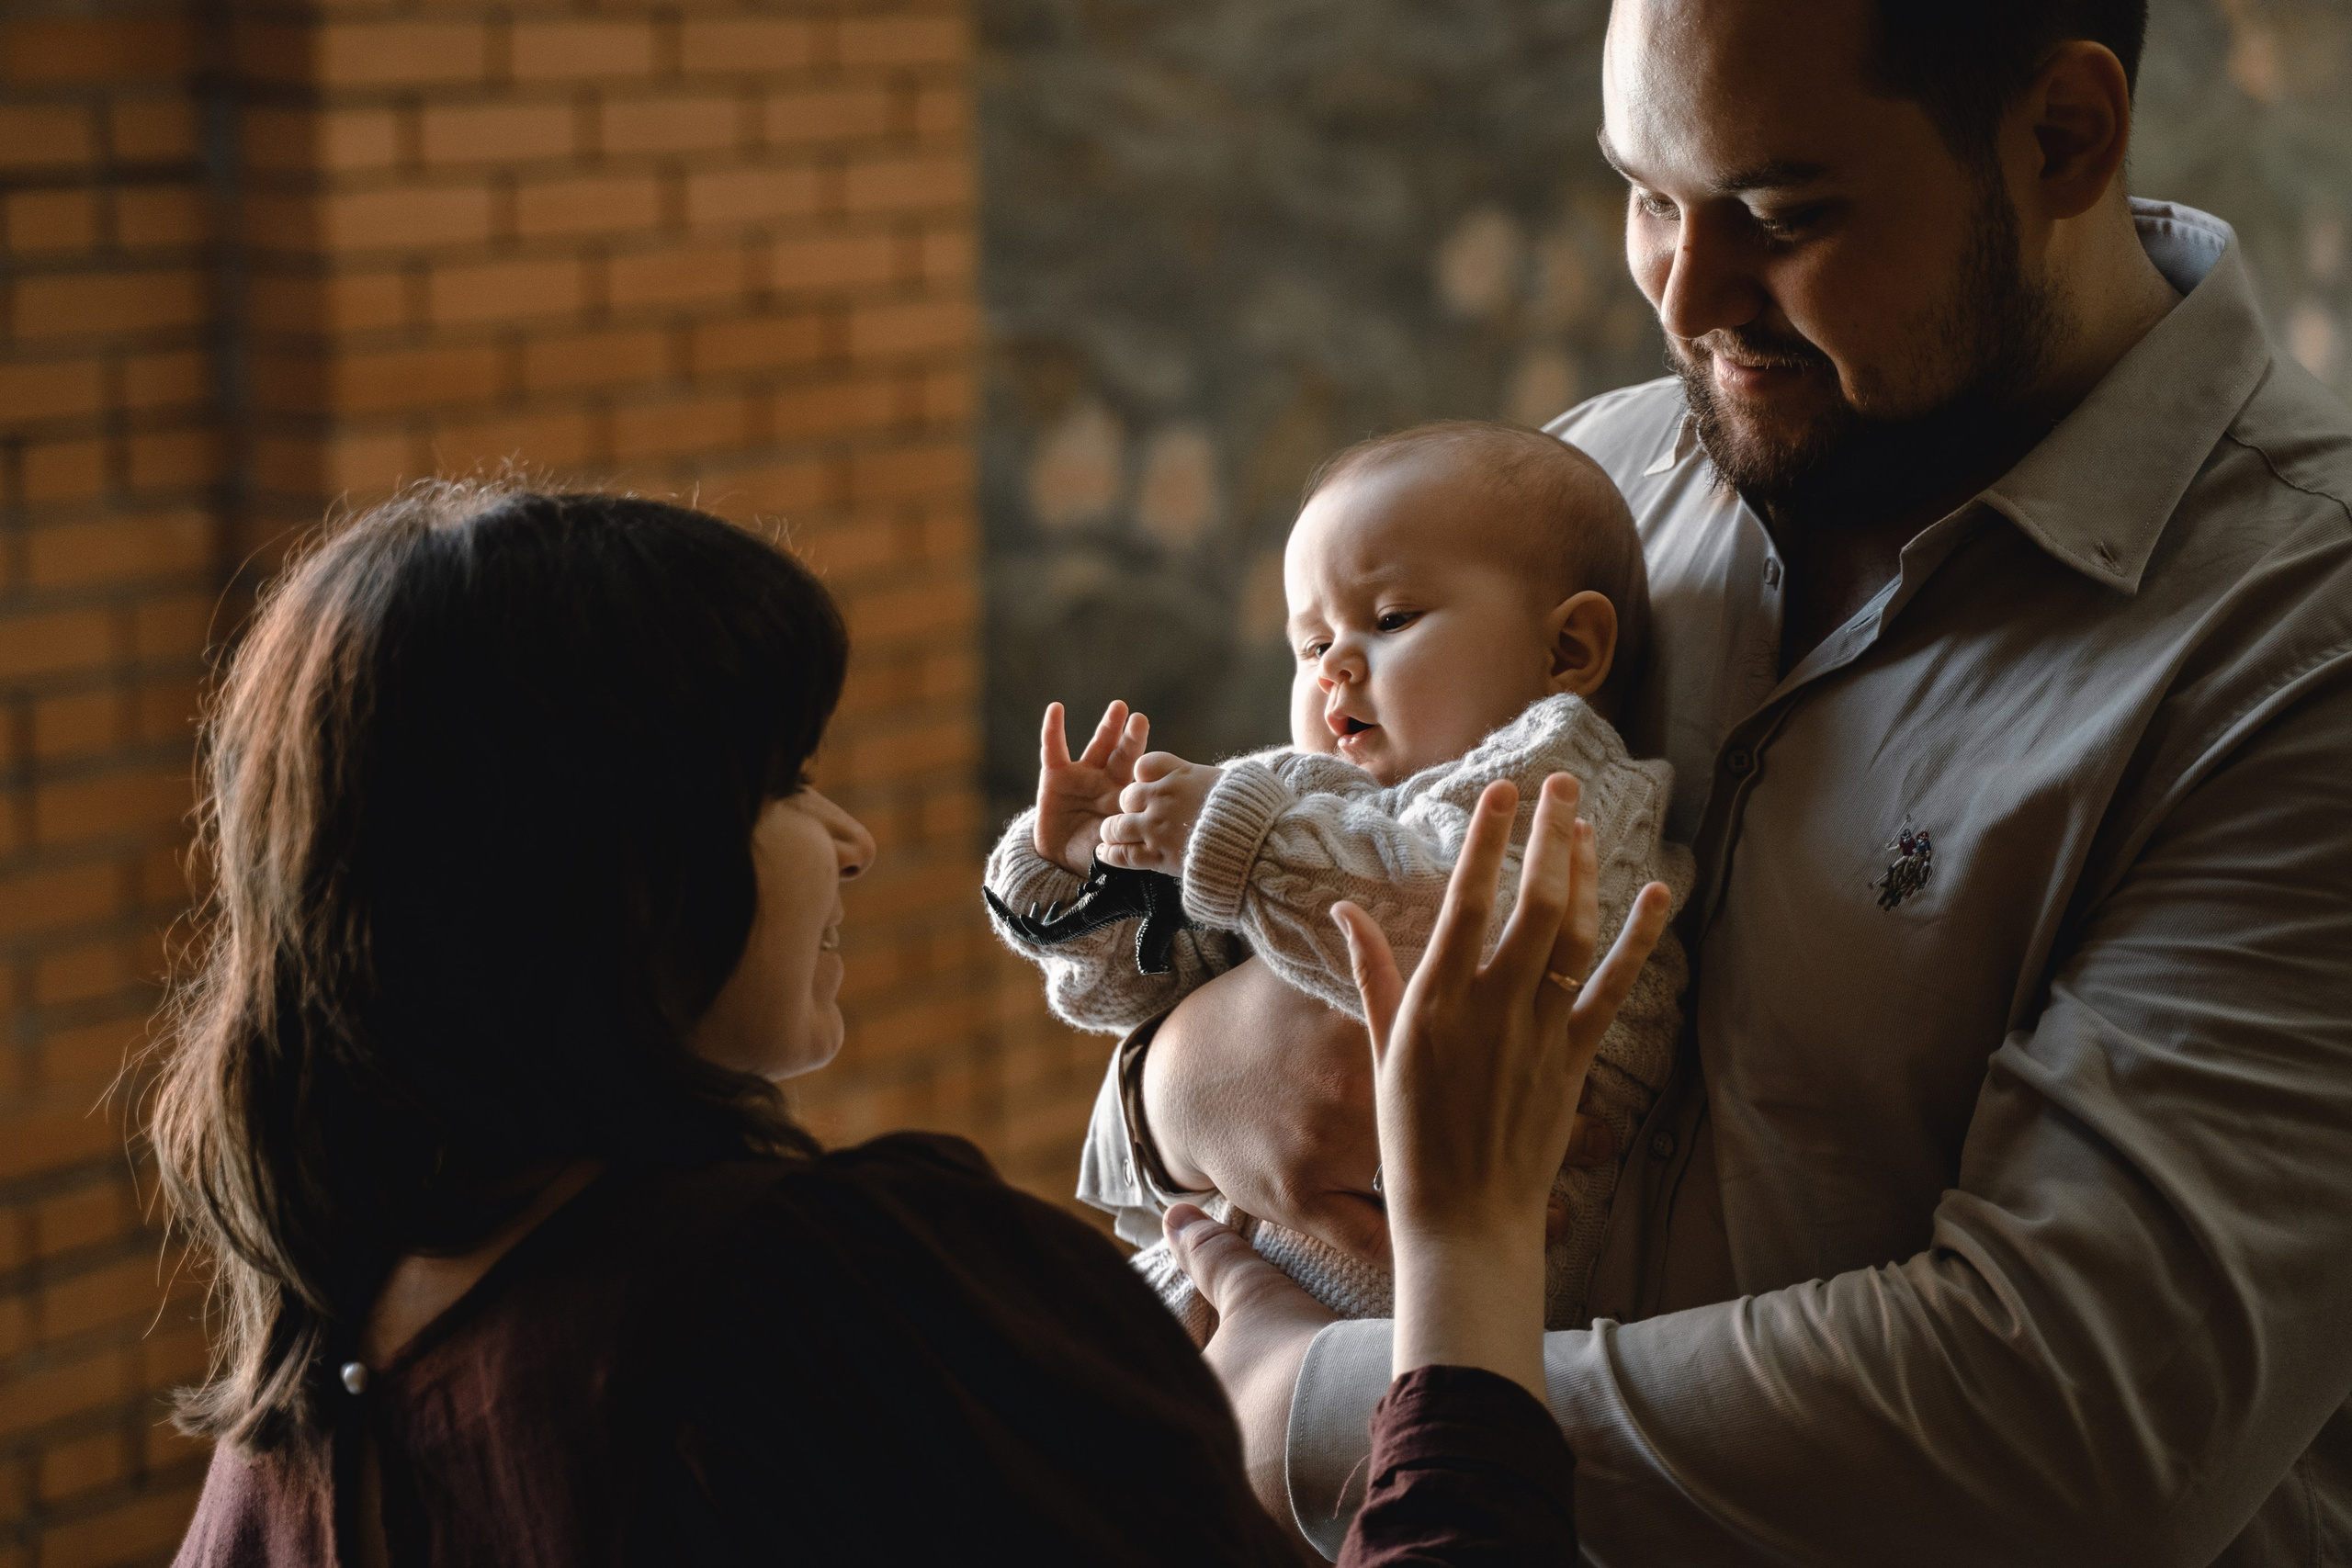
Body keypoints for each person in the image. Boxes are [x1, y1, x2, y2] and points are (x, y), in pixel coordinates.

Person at [1080, 2, 2352, 1562]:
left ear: (2063, 137)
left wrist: (1326, 1405)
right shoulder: (1592, 486)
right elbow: (1259, 955)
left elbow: (2082, 1416)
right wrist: (1175, 1089)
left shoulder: (2304, 647)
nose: (1686, 298)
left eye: (1783, 215)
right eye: (1648, 196)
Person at [150, 479, 1666, 1566]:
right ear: (605, 857)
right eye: (784, 781)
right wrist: (1464, 1250)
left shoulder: (293, 1438)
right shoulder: (842, 1302)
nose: (854, 839)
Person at [984, 421, 1686, 1340]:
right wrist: (1089, 872)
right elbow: (1139, 996)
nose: (1334, 671)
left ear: (1567, 652)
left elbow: (1464, 939)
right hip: (1222, 1286)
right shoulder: (1303, 801)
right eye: (1310, 646)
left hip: (1425, 1342)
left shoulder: (1564, 784)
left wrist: (1238, 844)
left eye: (1389, 621)